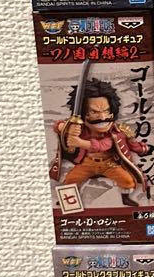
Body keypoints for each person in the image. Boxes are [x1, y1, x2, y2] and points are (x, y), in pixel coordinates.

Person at [51, 78, 146, 207]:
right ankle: (68, 201)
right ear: (84, 114)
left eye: (106, 111)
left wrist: (80, 142)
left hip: (109, 164)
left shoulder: (116, 132)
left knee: (128, 181)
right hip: (87, 163)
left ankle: (125, 198)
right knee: (70, 180)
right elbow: (57, 126)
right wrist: (65, 127)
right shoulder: (80, 127)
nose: (102, 117)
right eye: (94, 112)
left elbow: (103, 145)